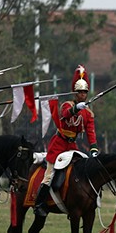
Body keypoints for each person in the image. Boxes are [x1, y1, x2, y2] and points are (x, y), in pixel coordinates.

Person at [34, 65, 98, 217]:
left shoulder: (88, 113)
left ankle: (73, 201)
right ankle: (39, 204)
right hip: (58, 144)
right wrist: (76, 109)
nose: (82, 95)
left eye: (84, 92)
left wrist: (94, 149)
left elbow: (91, 133)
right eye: (80, 92)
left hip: (72, 146)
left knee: (78, 173)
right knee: (49, 175)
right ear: (75, 93)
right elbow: (65, 115)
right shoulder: (67, 105)